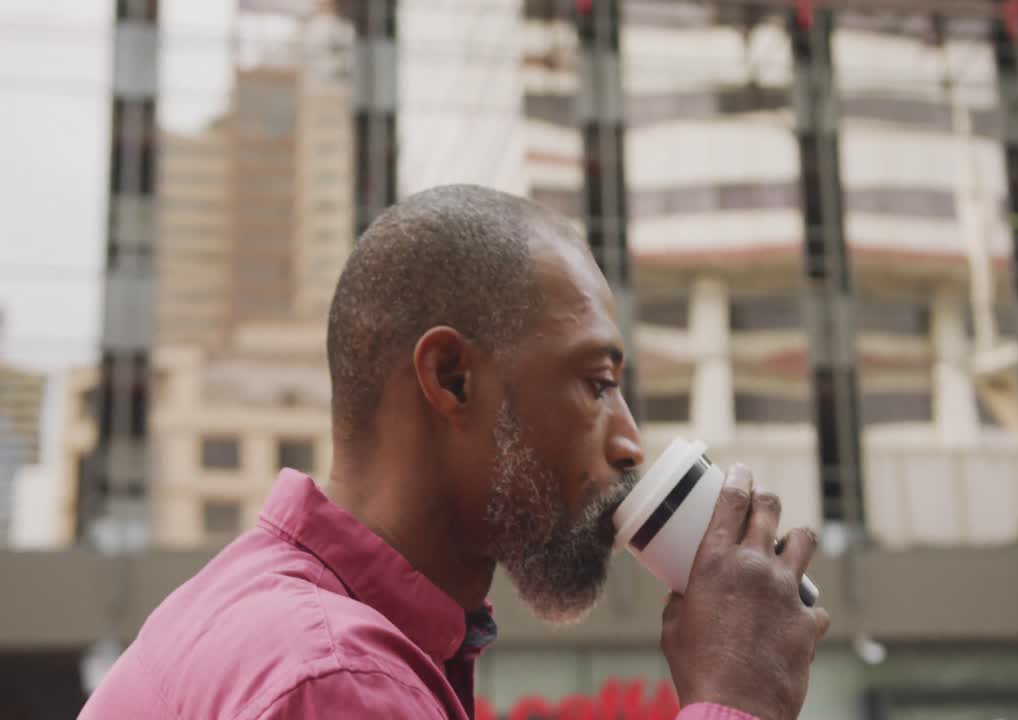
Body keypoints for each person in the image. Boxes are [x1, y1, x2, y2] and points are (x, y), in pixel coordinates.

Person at [80, 185, 829, 720]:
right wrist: (737, 701)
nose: (630, 441)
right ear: (451, 378)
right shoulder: (335, 678)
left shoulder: (269, 615)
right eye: (596, 384)